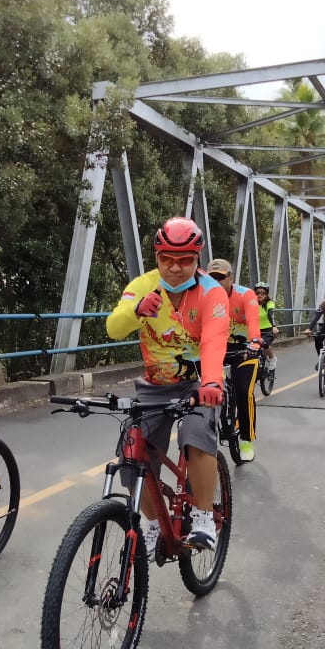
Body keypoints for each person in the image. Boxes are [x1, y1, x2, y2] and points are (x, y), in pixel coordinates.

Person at [106, 217, 229, 557]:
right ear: (157, 257)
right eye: (167, 259)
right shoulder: (142, 286)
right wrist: (135, 311)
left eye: (185, 260)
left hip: (198, 383)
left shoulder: (212, 293)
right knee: (132, 454)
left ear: (197, 258)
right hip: (154, 385)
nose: (175, 268)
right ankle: (152, 524)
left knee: (195, 434)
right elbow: (114, 328)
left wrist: (212, 381)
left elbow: (214, 341)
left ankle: (203, 517)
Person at [206, 258, 261, 462]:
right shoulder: (204, 296)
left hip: (245, 349)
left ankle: (246, 439)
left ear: (231, 278)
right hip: (217, 349)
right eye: (211, 278)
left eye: (220, 277)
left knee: (244, 392)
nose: (216, 282)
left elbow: (253, 322)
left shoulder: (246, 295)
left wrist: (254, 342)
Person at [253, 281, 281, 369]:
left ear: (266, 294)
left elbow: (270, 314)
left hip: (268, 330)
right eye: (257, 293)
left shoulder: (269, 303)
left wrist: (274, 326)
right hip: (255, 330)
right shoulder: (252, 303)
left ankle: (272, 358)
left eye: (263, 293)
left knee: (264, 344)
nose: (260, 295)